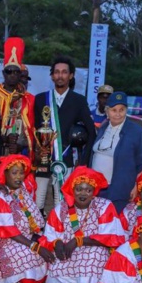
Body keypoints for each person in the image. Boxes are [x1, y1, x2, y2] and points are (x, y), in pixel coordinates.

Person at [42, 166, 125, 283]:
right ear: (72, 190)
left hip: (93, 248)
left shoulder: (104, 206)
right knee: (57, 259)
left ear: (94, 192)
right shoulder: (61, 209)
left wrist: (78, 241)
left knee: (96, 253)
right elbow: (50, 235)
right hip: (68, 249)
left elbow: (111, 237)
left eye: (88, 190)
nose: (83, 194)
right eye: (79, 189)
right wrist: (57, 244)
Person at [0, 155, 54, 283]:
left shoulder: (22, 189)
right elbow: (9, 232)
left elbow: (32, 179)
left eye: (21, 173)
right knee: (30, 254)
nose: (18, 177)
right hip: (4, 243)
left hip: (26, 238)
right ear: (4, 173)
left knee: (52, 244)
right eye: (14, 173)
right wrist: (35, 246)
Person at [33, 56, 96, 210]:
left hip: (65, 159)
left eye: (64, 72)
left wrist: (83, 163)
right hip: (43, 158)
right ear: (52, 76)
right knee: (37, 199)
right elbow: (34, 129)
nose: (60, 75)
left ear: (71, 75)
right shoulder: (41, 99)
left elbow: (91, 132)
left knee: (60, 200)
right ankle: (37, 230)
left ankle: (58, 230)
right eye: (57, 72)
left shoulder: (79, 100)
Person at [80, 91, 142, 213]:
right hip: (96, 188)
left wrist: (137, 186)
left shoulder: (136, 131)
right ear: (107, 111)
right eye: (114, 110)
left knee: (114, 224)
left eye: (121, 110)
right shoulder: (103, 127)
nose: (118, 114)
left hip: (119, 189)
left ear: (126, 110)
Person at [0, 37, 35, 157]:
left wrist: (20, 145)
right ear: (3, 73)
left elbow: (32, 131)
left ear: (20, 74)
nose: (12, 75)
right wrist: (4, 139)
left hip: (20, 154)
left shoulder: (29, 99)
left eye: (16, 72)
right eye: (9, 71)